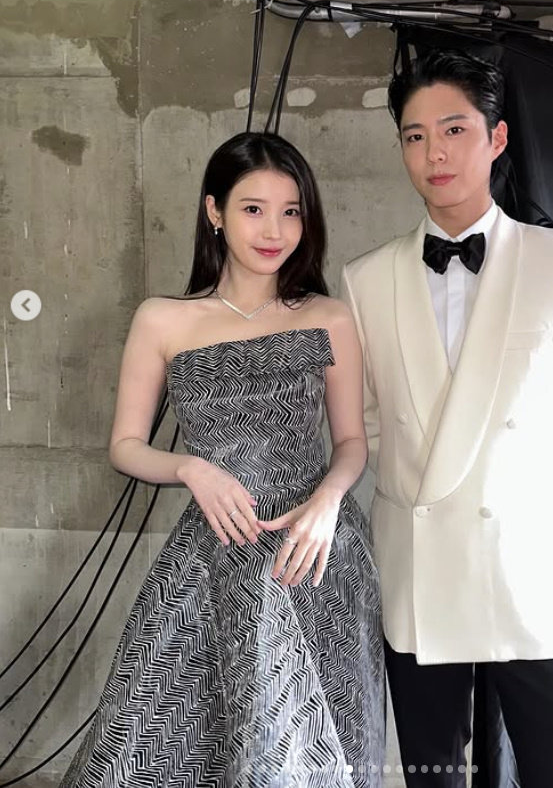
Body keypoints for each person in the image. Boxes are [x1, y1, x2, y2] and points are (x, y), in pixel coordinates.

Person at [340, 48, 553, 788]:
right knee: (433, 774)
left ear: (496, 138)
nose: (434, 153)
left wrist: (536, 506)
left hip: (530, 567)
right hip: (420, 572)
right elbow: (370, 420)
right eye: (414, 136)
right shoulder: (366, 279)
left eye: (454, 130)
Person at [60, 131, 385, 788]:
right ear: (215, 211)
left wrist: (326, 502)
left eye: (291, 211)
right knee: (159, 743)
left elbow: (352, 441)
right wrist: (191, 467)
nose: (274, 230)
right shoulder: (162, 319)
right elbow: (125, 446)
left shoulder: (330, 317)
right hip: (213, 549)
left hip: (312, 552)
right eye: (253, 209)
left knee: (309, 753)